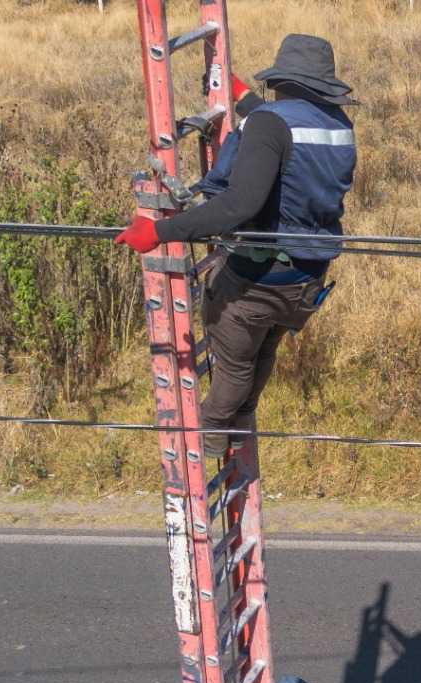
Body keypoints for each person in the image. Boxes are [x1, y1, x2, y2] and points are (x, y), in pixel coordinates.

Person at [115, 33, 356, 449]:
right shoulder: (337, 125)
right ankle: (240, 425)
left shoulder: (269, 124)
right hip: (307, 277)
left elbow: (239, 205)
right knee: (263, 351)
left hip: (258, 275)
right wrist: (244, 102)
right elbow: (288, 141)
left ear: (281, 81)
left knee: (235, 362)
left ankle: (206, 436)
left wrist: (158, 232)